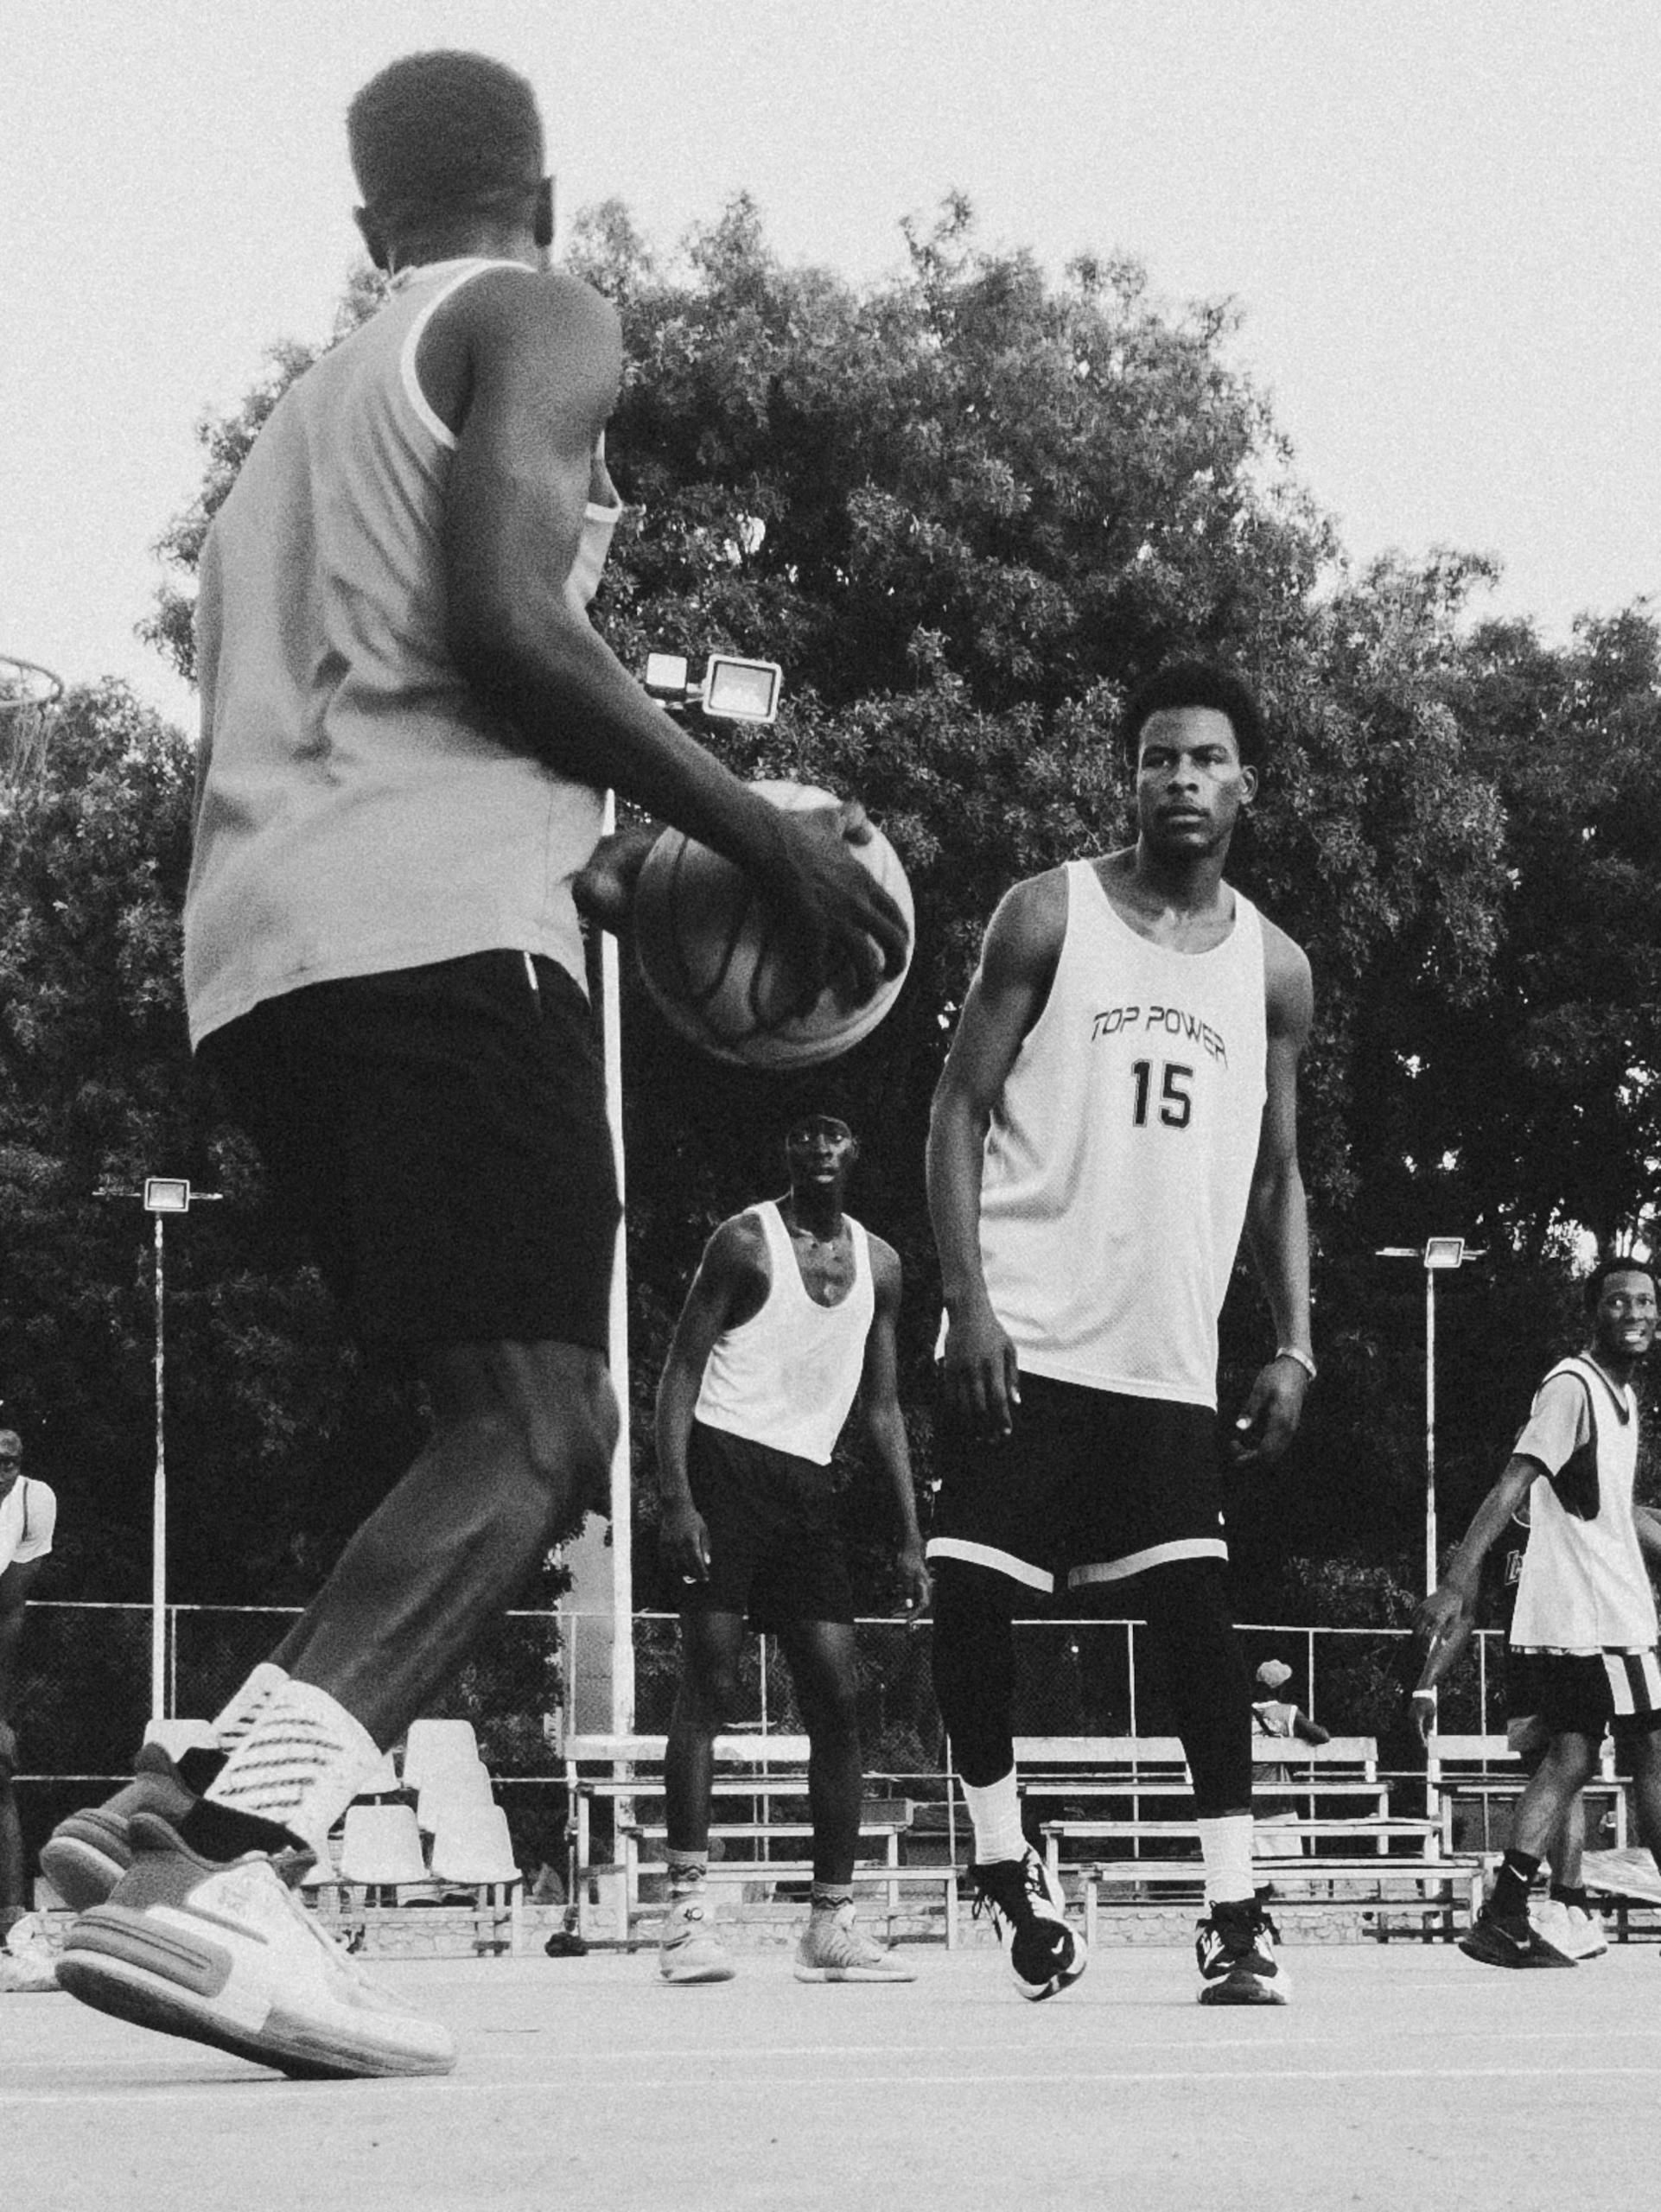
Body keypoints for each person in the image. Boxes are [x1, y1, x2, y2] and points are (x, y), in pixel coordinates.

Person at [49, 50, 905, 2079]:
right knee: (542, 1427)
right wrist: (755, 826)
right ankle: (235, 1866)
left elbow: (395, 692)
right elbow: (506, 625)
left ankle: (154, 1818)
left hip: (265, 956)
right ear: (544, 191)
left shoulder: (292, 435)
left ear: (367, 229)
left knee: (469, 1415)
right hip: (432, 939)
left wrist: (608, 860)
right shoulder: (532, 313)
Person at [926, 661, 1314, 2005]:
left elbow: (1277, 1175)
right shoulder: (1050, 914)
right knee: (968, 1593)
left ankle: (1235, 1911)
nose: (1179, 781)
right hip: (1026, 1330)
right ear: (1130, 778)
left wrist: (1293, 1340)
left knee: (1195, 1620)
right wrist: (968, 1303)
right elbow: (954, 1109)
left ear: (1244, 784)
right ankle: (998, 1860)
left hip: (1163, 1360)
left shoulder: (1274, 967)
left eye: (1205, 759)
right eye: (1157, 759)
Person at [654, 1113, 931, 1986]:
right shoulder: (743, 1242)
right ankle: (688, 1917)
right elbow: (679, 1369)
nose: (818, 1147)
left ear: (856, 1153)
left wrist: (910, 1536)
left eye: (836, 1135)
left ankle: (830, 1921)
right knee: (711, 1681)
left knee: (838, 1697)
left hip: (808, 1484)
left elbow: (882, 1406)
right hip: (725, 1461)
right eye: (803, 1134)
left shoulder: (881, 1266)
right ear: (785, 1151)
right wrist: (677, 1497)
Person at [1416, 1257, 1661, 1970]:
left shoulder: (1620, 1397)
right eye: (1618, 1302)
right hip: (1600, 1613)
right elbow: (1513, 1481)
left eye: (1646, 1301)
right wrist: (1456, 1580)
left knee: (1573, 1756)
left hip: (1583, 1610)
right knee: (1648, 1752)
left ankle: (1505, 1912)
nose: (1636, 1313)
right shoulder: (1573, 1388)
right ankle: (1549, 1901)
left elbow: (1617, 1515)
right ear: (1594, 1313)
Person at [1409, 1499, 1607, 1961]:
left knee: (1566, 1771)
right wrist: (1426, 1686)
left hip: (1574, 1653)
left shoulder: (1581, 1511)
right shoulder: (1500, 1527)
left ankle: (1567, 1902)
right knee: (1555, 1777)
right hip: (1524, 1672)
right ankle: (1571, 1907)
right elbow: (1469, 1615)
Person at [0, 1430, 59, 1992]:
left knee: (0, 1770)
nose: (1, 1470)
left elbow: (10, 1611)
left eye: (9, 1461)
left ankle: (14, 1932)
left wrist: (2, 1713)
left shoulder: (33, 1502)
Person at [1251, 1656, 1327, 1857]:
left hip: (1246, 1800)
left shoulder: (1241, 1713)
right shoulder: (1287, 1712)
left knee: (1255, 1869)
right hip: (1278, 1800)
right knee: (1288, 1864)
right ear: (1281, 1688)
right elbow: (1322, 1736)